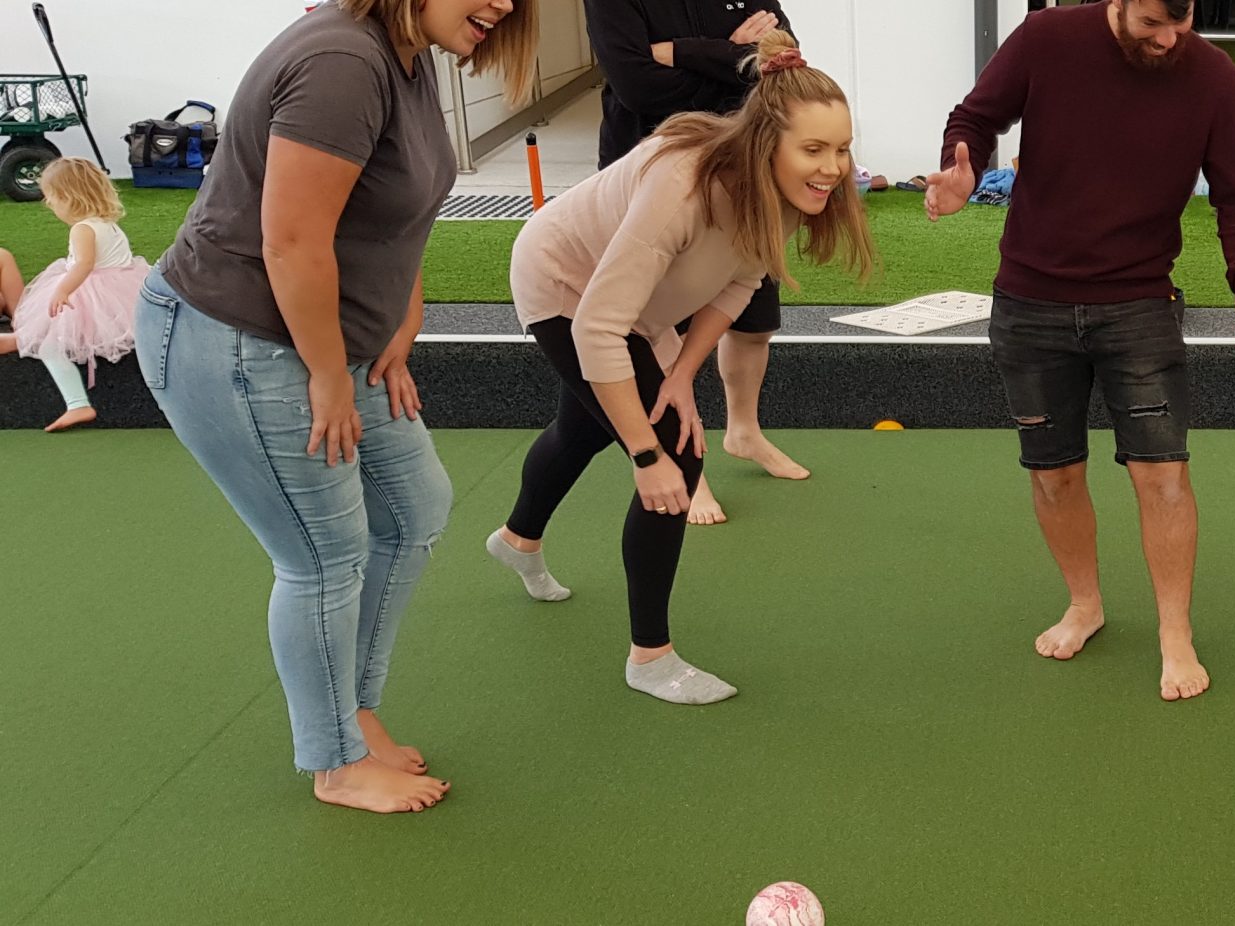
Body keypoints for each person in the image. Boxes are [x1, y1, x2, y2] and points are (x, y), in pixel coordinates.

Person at [134, 0, 535, 813]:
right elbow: (289, 238)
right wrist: (327, 374)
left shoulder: (410, 53)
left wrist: (404, 311)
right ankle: (335, 761)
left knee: (416, 507)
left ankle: (351, 708)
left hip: (325, 338)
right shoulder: (344, 61)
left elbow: (396, 207)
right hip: (239, 338)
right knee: (323, 555)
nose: (503, 4)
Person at [486, 30, 875, 705]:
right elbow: (598, 326)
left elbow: (737, 284)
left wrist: (680, 372)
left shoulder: (784, 193)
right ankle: (651, 658)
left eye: (840, 149)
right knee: (674, 453)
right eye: (814, 149)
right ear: (764, 142)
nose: (832, 167)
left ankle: (518, 540)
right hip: (565, 285)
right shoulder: (682, 185)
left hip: (640, 310)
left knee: (583, 426)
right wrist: (645, 454)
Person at [926, 0, 1235, 702]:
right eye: (1152, 22)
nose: (1168, 38)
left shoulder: (1211, 74)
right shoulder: (1046, 38)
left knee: (1163, 475)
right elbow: (974, 119)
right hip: (1031, 300)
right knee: (1053, 473)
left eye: (1180, 23)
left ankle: (1174, 632)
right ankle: (1085, 604)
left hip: (1140, 304)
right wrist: (960, 170)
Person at [587, 0, 804, 524]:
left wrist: (682, 53)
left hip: (740, 167)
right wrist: (734, 61)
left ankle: (743, 431)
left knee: (753, 322)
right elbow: (638, 87)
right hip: (653, 176)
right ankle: (690, 468)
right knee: (664, 331)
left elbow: (783, 65)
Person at [1, 158, 148, 432]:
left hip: (90, 295)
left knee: (52, 343)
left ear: (70, 197)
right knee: (56, 333)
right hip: (121, 290)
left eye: (52, 198)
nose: (49, 205)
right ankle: (18, 340)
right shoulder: (106, 223)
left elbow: (84, 264)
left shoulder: (82, 229)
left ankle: (77, 403)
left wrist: (63, 289)